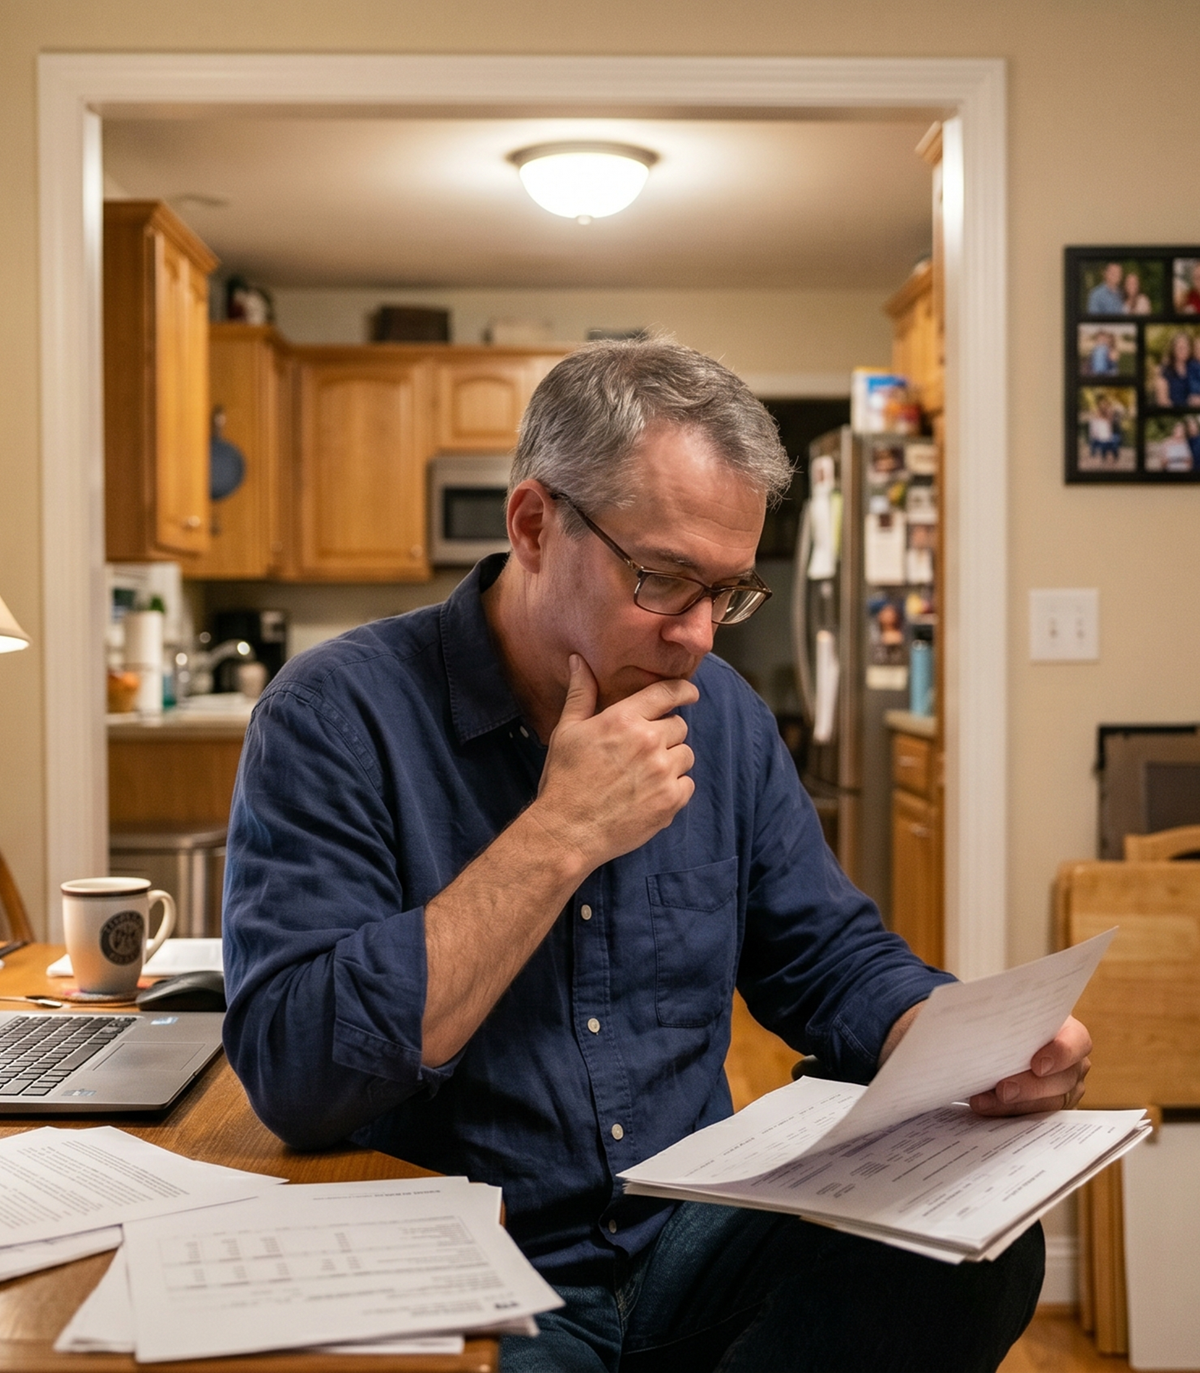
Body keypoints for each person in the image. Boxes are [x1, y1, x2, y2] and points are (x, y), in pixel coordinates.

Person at [222, 340, 1089, 1373]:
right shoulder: (335, 714)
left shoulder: (724, 717)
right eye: (666, 579)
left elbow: (824, 954)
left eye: (727, 591)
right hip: (473, 1265)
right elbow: (298, 1071)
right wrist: (560, 833)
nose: (700, 637)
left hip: (688, 1231)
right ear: (534, 525)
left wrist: (958, 1040)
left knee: (977, 1246)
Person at [1153, 331, 1200, 408]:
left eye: (1185, 347)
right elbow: (1163, 401)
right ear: (1173, 349)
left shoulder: (1195, 368)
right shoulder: (1164, 371)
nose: (1182, 350)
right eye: (1179, 347)